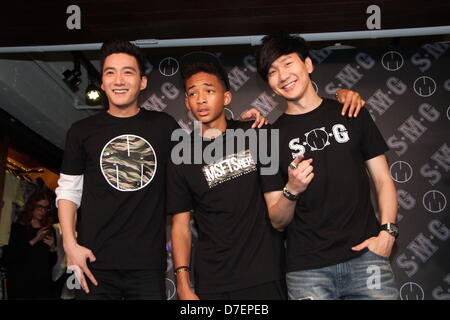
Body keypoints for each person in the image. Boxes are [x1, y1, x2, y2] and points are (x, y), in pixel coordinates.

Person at [167, 51, 365, 300]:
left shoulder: (257, 133)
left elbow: (306, 117)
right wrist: (184, 285)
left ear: (226, 97)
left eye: (209, 90)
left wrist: (341, 97)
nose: (200, 99)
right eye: (192, 93)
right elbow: (180, 226)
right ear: (186, 102)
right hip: (213, 281)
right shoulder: (181, 157)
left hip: (266, 274)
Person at [256, 32, 399, 300]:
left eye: (288, 63)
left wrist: (387, 233)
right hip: (307, 270)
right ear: (269, 84)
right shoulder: (268, 140)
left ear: (308, 65)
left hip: (367, 258)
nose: (282, 75)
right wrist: (292, 189)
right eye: (272, 71)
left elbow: (383, 179)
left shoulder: (351, 111)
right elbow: (277, 220)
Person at [55, 40, 180, 300]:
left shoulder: (164, 126)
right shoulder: (81, 131)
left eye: (128, 72)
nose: (119, 80)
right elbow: (68, 190)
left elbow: (193, 170)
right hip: (93, 262)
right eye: (110, 72)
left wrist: (241, 126)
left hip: (147, 266)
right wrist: (70, 245)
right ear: (102, 82)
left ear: (142, 82)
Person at [5, 190, 57, 299]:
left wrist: (53, 248)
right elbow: (12, 256)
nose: (42, 211)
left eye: (46, 208)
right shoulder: (18, 228)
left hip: (41, 285)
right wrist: (34, 240)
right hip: (21, 284)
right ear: (31, 206)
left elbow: (51, 262)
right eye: (39, 206)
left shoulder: (48, 229)